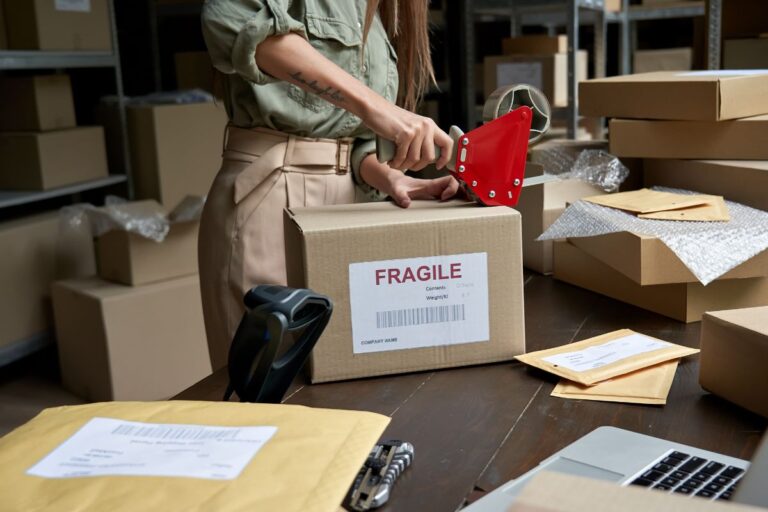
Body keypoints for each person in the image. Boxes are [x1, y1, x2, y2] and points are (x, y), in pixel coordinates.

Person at [199, 0, 459, 369]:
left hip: (349, 208)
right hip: (275, 195)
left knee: (343, 377)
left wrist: (391, 176)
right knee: (270, 386)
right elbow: (230, 17)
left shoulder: (375, 15)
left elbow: (347, 138)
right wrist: (379, 108)